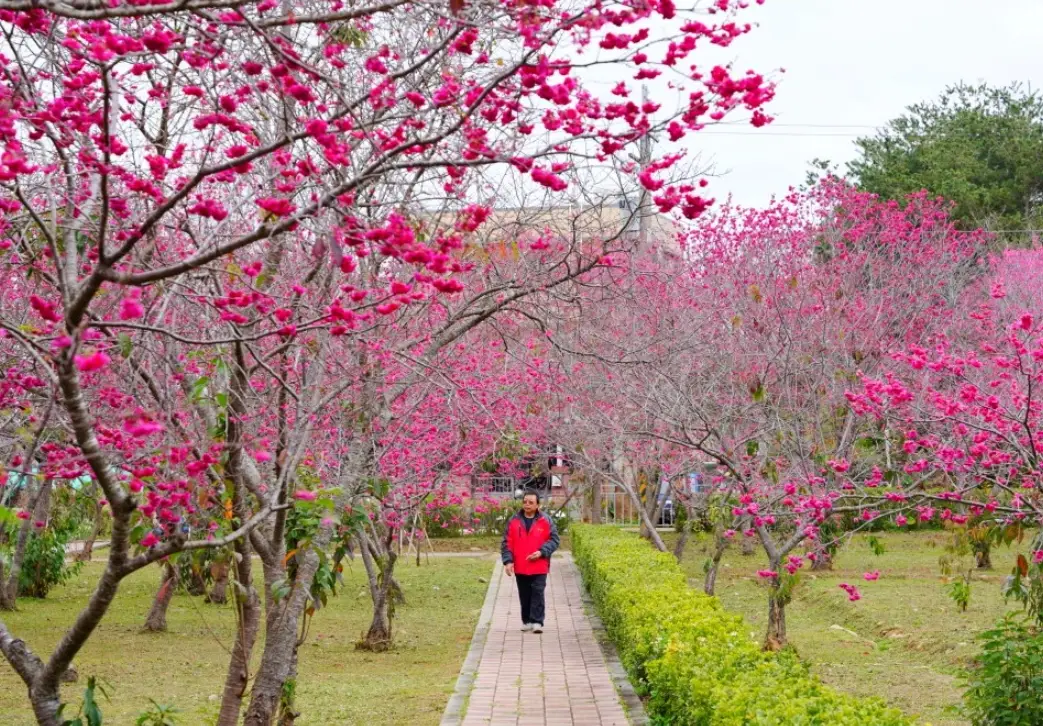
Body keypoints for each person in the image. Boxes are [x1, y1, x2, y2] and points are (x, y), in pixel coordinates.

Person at [500, 488, 560, 633]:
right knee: (524, 594)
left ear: (537, 505)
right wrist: (508, 561)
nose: (527, 504)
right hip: (521, 566)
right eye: (525, 502)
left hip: (539, 565)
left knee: (538, 592)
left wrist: (541, 552)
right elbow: (506, 543)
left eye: (530, 502)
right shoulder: (514, 521)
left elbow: (554, 540)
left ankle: (537, 621)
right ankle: (526, 621)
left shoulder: (546, 521)